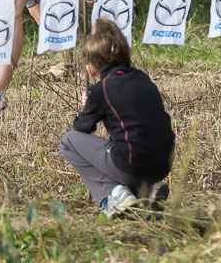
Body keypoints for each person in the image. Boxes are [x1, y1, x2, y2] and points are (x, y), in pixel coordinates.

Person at [59, 19, 175, 218]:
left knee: (68, 142)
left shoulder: (100, 90)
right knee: (130, 146)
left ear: (91, 68)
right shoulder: (142, 77)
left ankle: (114, 193)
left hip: (132, 165)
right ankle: (143, 191)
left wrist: (89, 105)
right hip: (163, 164)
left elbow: (82, 128)